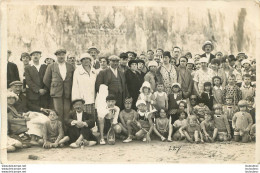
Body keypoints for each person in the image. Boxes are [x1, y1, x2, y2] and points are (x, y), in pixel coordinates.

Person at [43, 49, 75, 125]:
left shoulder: (70, 66)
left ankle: (67, 130)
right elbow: (46, 80)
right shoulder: (51, 66)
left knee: (67, 112)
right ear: (56, 56)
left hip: (67, 92)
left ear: (65, 56)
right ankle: (60, 130)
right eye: (59, 55)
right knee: (58, 112)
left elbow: (74, 79)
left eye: (63, 55)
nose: (61, 56)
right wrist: (54, 87)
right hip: (56, 93)